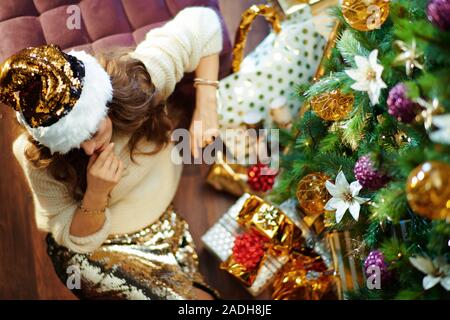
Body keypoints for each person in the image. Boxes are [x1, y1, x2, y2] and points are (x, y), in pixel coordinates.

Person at [0, 7, 222, 300]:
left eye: (92, 133)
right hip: (93, 248)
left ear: (104, 104)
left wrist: (207, 103)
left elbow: (203, 22)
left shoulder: (138, 81)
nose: (90, 150)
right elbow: (70, 235)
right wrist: (96, 193)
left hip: (157, 216)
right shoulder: (34, 154)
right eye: (73, 144)